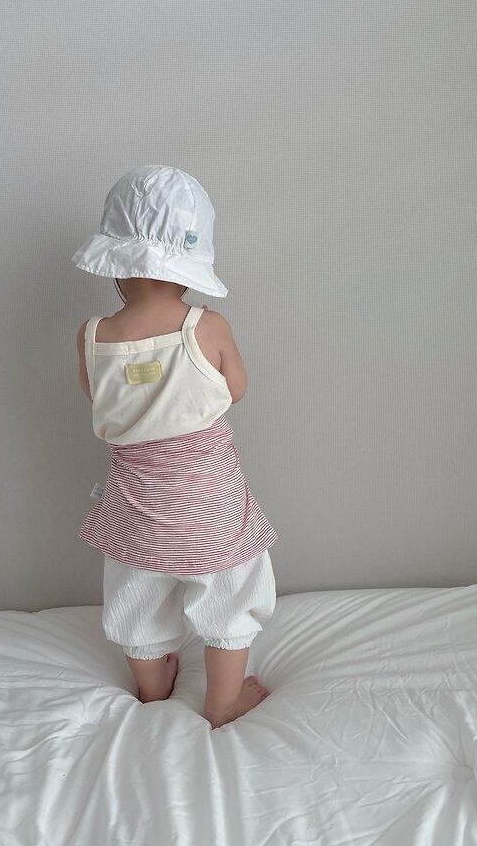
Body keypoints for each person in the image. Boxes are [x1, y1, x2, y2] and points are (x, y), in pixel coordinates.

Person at [71, 165, 278, 729]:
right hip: (210, 506)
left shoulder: (93, 335)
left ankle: (154, 685)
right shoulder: (207, 327)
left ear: (117, 264)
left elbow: (96, 394)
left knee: (137, 595)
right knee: (230, 598)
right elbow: (235, 389)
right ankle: (223, 702)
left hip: (134, 507)